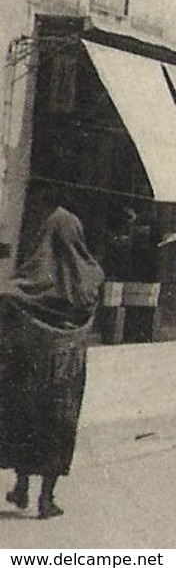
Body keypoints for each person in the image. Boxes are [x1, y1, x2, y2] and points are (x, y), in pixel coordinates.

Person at [0, 207, 105, 520]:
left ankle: (21, 486)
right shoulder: (88, 278)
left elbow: (8, 300)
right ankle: (46, 499)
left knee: (24, 423)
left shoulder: (30, 277)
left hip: (27, 368)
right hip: (66, 370)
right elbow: (90, 303)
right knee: (57, 429)